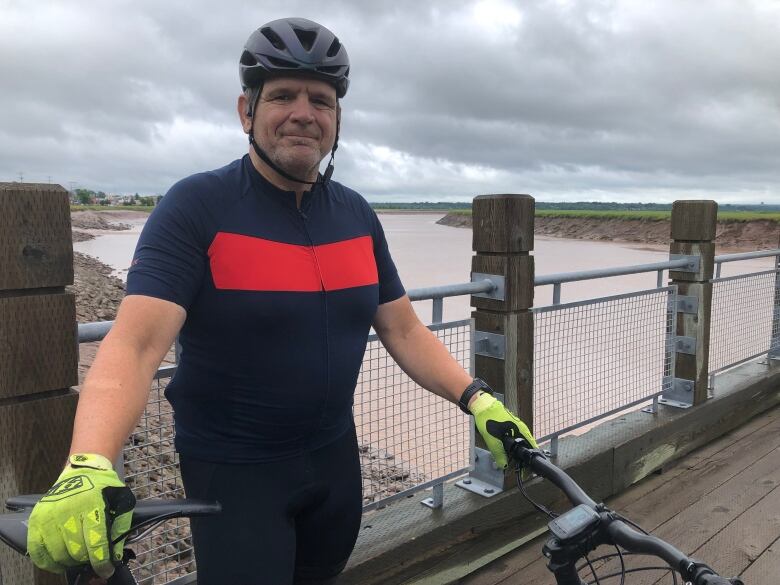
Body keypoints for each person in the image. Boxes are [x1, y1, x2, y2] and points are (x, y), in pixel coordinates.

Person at [26, 17, 537, 585]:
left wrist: (478, 400)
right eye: (283, 95)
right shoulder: (197, 206)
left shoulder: (357, 217)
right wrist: (90, 461)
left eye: (321, 100)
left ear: (337, 120)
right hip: (235, 470)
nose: (303, 112)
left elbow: (404, 331)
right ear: (246, 111)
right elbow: (137, 344)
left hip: (334, 461)